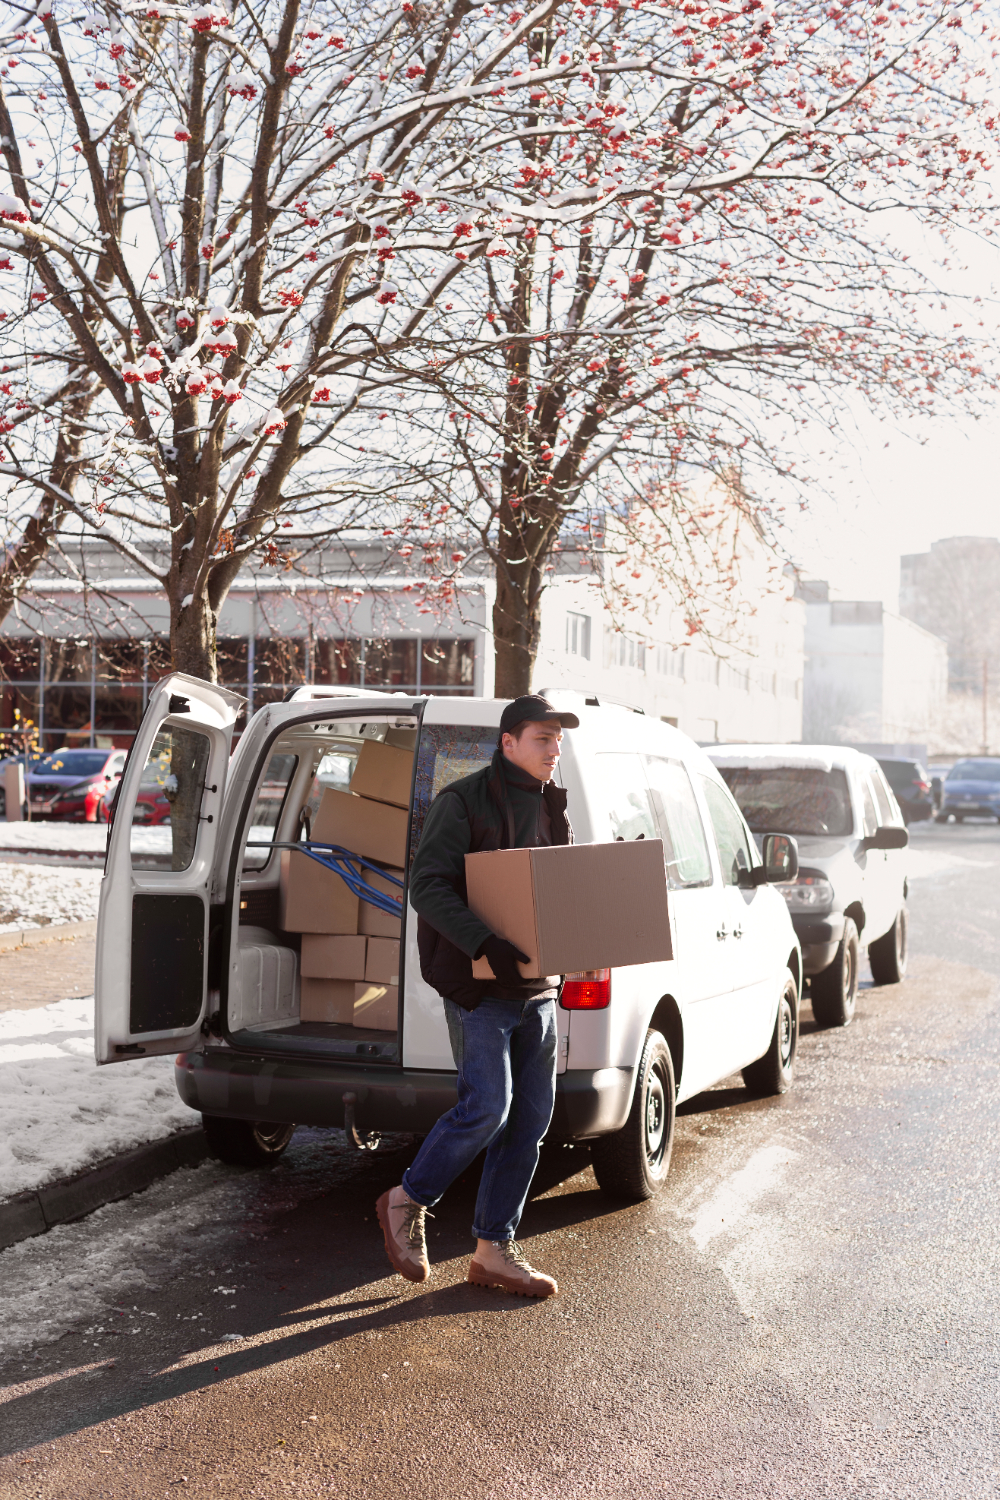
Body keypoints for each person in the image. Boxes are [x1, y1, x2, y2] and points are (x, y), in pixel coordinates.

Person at [375, 694, 579, 1299]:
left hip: (537, 989)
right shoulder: (461, 802)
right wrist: (481, 942)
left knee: (530, 1121)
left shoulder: (550, 807)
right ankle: (404, 1200)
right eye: (543, 739)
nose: (553, 750)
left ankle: (493, 1249)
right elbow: (428, 885)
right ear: (508, 742)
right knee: (487, 1107)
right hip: (478, 986)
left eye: (558, 742)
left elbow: (556, 889)